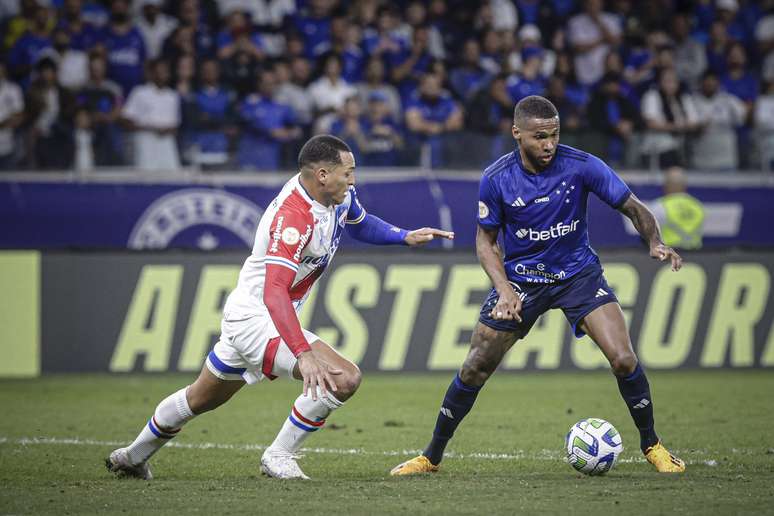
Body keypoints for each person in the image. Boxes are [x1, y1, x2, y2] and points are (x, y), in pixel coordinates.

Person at [106, 134, 454, 481]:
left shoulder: (337, 197)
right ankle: (279, 455)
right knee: (343, 378)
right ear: (321, 174)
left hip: (257, 316)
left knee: (201, 398)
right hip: (256, 317)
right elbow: (274, 292)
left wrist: (403, 235)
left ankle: (132, 457)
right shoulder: (294, 217)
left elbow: (361, 223)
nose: (353, 180)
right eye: (348, 172)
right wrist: (303, 353)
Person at [390, 96, 686, 477]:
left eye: (555, 135)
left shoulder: (582, 166)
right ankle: (430, 456)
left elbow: (633, 206)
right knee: (475, 366)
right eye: (540, 136)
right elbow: (485, 242)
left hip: (578, 275)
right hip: (522, 281)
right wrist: (505, 289)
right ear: (517, 134)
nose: (549, 144)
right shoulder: (497, 178)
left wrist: (654, 241)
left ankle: (653, 446)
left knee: (624, 358)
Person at [652, 167, 704, 250]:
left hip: (669, 257)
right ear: (684, 185)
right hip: (695, 255)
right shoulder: (697, 205)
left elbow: (648, 235)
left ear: (666, 185)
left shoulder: (659, 206)